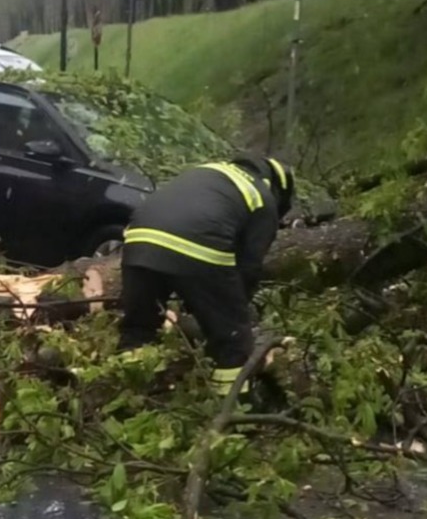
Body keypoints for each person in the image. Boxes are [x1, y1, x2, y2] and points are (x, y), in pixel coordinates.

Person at [117, 155, 296, 397]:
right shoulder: (261, 198)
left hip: (138, 241)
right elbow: (249, 267)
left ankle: (130, 393)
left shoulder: (208, 172)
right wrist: (232, 310)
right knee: (232, 340)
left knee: (139, 327)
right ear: (278, 189)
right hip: (198, 250)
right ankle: (234, 408)